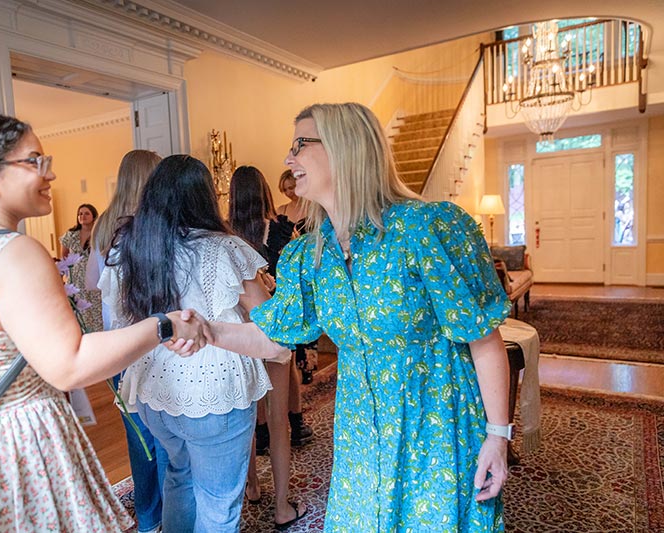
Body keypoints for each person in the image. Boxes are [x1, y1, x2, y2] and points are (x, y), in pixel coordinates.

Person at [0, 103, 207, 533]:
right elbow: (70, 363)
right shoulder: (12, 253)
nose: (49, 173)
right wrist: (163, 325)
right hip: (10, 455)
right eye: (34, 161)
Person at [209, 102, 512, 532]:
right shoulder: (310, 255)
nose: (288, 159)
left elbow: (483, 338)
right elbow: (272, 338)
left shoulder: (425, 229)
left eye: (300, 144)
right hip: (360, 441)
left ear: (343, 148)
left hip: (436, 433)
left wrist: (498, 436)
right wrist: (204, 331)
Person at [115, 155, 290, 533]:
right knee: (218, 503)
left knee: (179, 475)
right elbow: (271, 326)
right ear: (204, 196)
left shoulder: (141, 247)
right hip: (212, 390)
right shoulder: (224, 247)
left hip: (156, 391)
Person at [88, 149, 167, 533]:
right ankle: (172, 517)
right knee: (164, 437)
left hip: (118, 348)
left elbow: (93, 284)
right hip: (151, 344)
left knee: (138, 439)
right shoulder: (152, 224)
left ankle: (149, 519)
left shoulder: (103, 226)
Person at [227, 165, 308, 529]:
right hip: (274, 327)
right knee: (278, 421)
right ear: (264, 192)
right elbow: (295, 282)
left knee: (246, 416)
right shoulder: (282, 231)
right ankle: (281, 505)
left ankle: (252, 487)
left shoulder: (225, 237)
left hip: (239, 333)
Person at [276, 169, 318, 385]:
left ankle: (309, 363)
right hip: (290, 269)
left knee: (311, 313)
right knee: (295, 314)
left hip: (310, 265)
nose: (289, 193)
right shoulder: (281, 211)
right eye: (285, 190)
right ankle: (297, 359)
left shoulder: (314, 207)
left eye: (291, 187)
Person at [60, 203, 102, 332]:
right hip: (76, 279)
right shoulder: (70, 235)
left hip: (94, 276)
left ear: (94, 216)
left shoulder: (99, 234)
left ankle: (98, 333)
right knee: (80, 308)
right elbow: (64, 256)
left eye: (86, 213)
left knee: (96, 307)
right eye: (80, 214)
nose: (82, 216)